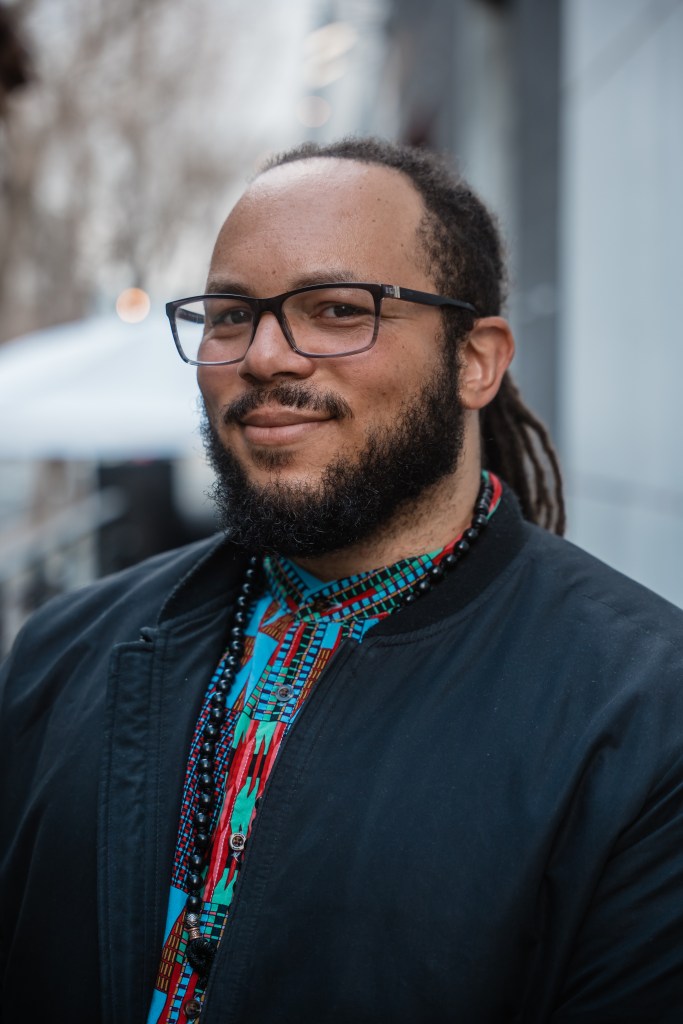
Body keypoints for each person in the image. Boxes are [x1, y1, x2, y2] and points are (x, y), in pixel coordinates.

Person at [1, 138, 682, 1024]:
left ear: (474, 360)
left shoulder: (643, 713)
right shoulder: (62, 655)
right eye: (230, 315)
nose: (264, 357)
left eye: (334, 309)